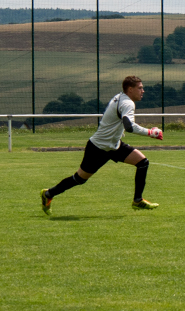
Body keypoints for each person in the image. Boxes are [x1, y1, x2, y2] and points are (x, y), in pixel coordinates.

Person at [40, 76, 163, 214]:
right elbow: (129, 126)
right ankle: (48, 194)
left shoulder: (120, 97)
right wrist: (151, 132)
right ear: (130, 89)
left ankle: (137, 200)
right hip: (98, 148)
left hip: (113, 146)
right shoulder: (128, 103)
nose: (143, 91)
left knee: (143, 162)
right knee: (79, 179)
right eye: (140, 88)